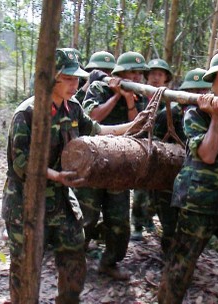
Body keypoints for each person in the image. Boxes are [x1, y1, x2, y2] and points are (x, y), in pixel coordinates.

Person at [2, 48, 132, 303]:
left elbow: (97, 130)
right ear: (52, 78)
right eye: (69, 79)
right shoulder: (28, 113)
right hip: (26, 202)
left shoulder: (73, 108)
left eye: (77, 79)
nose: (76, 84)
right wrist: (56, 175)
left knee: (74, 258)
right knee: (25, 268)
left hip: (61, 201)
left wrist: (132, 127)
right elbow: (21, 163)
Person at [158, 50, 218, 304]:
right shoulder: (194, 111)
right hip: (197, 199)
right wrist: (214, 115)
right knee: (181, 265)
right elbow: (208, 154)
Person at [74, 51, 150, 280]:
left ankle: (110, 262)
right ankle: (75, 258)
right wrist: (116, 96)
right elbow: (92, 118)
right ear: (120, 73)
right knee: (86, 215)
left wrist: (128, 100)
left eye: (140, 73)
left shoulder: (141, 97)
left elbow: (138, 128)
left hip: (120, 165)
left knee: (118, 220)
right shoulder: (99, 88)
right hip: (93, 163)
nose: (137, 77)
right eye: (132, 72)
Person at [149, 68, 213, 256]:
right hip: (167, 180)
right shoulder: (168, 114)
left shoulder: (210, 115)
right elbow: (153, 145)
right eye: (192, 91)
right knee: (169, 222)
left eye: (201, 91)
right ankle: (169, 258)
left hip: (195, 183)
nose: (197, 95)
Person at [131, 58, 174, 242]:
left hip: (162, 149)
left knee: (159, 189)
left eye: (160, 74)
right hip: (141, 147)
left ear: (166, 78)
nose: (156, 78)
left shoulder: (169, 100)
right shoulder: (137, 96)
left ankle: (149, 219)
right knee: (141, 188)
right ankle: (137, 225)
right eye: (153, 74)